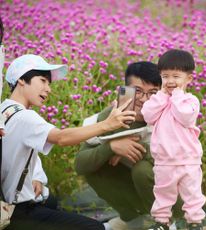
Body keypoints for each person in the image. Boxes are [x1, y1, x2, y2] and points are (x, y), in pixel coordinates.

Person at [0, 54, 136, 230]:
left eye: (49, 83)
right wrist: (107, 124)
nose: (48, 89)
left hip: (11, 202)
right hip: (17, 211)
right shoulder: (26, 117)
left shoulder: (5, 109)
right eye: (42, 80)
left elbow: (20, 149)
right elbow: (61, 138)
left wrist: (36, 177)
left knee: (51, 201)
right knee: (93, 228)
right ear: (21, 80)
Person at [75, 61, 183, 230]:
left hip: (177, 196)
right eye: (137, 91)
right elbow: (80, 164)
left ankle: (166, 223)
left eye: (153, 93)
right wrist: (111, 147)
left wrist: (135, 149)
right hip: (139, 192)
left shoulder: (171, 116)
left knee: (142, 170)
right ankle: (134, 221)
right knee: (95, 165)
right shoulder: (112, 117)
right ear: (125, 90)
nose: (144, 99)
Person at [141, 49, 206, 230]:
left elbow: (184, 117)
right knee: (162, 194)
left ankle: (195, 222)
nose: (170, 81)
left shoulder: (190, 100)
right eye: (165, 76)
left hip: (188, 160)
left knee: (192, 195)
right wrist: (162, 96)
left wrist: (177, 95)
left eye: (176, 76)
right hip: (164, 160)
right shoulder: (159, 100)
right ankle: (162, 223)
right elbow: (148, 115)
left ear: (188, 79)